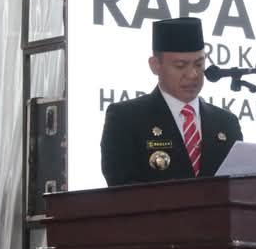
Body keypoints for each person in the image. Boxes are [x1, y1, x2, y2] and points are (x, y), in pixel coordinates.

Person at [100, 17, 242, 186]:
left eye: (199, 64)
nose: (193, 74)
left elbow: (240, 186)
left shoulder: (226, 122)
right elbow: (120, 186)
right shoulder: (125, 118)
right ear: (155, 65)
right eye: (180, 66)